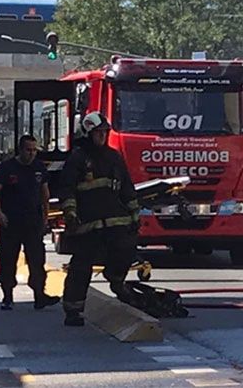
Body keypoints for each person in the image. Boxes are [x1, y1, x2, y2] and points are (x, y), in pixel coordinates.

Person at [60, 112, 140, 326]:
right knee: (81, 267)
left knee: (125, 250)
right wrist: (71, 213)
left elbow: (127, 188)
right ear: (88, 133)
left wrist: (134, 213)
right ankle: (73, 310)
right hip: (88, 222)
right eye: (98, 133)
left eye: (105, 132)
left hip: (115, 220)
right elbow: (67, 189)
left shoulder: (114, 157)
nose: (102, 136)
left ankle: (116, 279)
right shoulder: (77, 159)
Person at [0, 135, 60, 310]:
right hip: (11, 222)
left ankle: (39, 295)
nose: (32, 153)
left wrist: (46, 215)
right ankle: (7, 296)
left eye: (34, 150)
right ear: (20, 150)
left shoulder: (38, 168)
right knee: (8, 259)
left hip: (33, 221)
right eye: (28, 150)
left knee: (37, 260)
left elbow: (45, 192)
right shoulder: (7, 168)